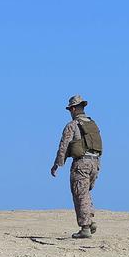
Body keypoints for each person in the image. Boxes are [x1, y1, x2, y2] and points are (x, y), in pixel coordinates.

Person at [51, 95, 103, 239]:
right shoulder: (93, 124)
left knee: (79, 194)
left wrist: (57, 164)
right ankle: (89, 220)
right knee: (85, 192)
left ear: (73, 109)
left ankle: (85, 228)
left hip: (81, 163)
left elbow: (64, 146)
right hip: (95, 163)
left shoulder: (72, 125)